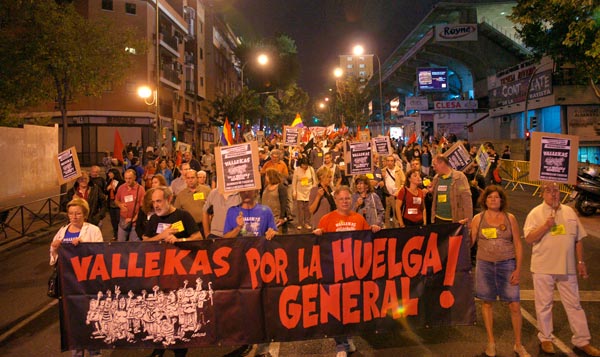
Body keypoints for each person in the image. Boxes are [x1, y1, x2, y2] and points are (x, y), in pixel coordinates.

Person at [523, 182, 600, 356]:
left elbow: (578, 239)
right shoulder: (535, 213)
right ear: (542, 193)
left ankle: (582, 340)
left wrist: (580, 262)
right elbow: (528, 238)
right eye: (548, 190)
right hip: (543, 267)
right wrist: (545, 226)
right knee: (544, 305)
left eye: (556, 190)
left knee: (574, 305)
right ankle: (545, 338)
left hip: (567, 268)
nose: (553, 194)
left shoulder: (569, 212)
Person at [313, 186, 381, 357]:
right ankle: (340, 345)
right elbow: (318, 245)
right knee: (336, 308)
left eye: (347, 199)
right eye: (341, 199)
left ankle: (348, 338)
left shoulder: (358, 219)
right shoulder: (326, 220)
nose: (344, 202)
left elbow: (368, 240)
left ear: (351, 200)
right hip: (335, 273)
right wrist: (317, 234)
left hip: (354, 272)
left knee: (352, 306)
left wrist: (373, 229)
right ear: (335, 200)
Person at [470, 186, 529, 357]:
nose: (494, 200)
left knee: (514, 305)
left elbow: (518, 243)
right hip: (485, 265)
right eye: (490, 197)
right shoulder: (477, 219)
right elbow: (470, 242)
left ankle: (518, 344)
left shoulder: (510, 218)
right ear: (485, 200)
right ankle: (491, 343)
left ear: (502, 200)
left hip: (507, 264)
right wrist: (460, 231)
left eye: (497, 197)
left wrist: (518, 269)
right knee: (487, 303)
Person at [143, 186, 201, 357]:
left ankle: (180, 349)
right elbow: (145, 241)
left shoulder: (183, 216)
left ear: (169, 200)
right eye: (153, 202)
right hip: (159, 274)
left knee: (178, 310)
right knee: (159, 310)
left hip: (180, 273)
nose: (156, 205)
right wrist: (163, 236)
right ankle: (159, 347)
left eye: (159, 201)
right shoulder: (153, 219)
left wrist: (179, 239)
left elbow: (198, 238)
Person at [222, 189, 277, 357]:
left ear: (256, 190)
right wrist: (238, 228)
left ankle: (263, 348)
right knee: (243, 305)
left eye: (249, 190)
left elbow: (274, 233)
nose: (246, 193)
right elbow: (225, 239)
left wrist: (273, 233)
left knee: (262, 305)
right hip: (240, 265)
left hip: (260, 265)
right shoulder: (232, 212)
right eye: (243, 190)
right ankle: (246, 341)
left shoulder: (265, 211)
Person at [49, 198, 103, 357]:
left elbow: (101, 254)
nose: (74, 216)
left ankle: (94, 351)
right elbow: (53, 258)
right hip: (68, 284)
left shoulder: (93, 230)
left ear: (84, 214)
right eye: (71, 213)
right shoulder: (62, 230)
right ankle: (77, 352)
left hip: (87, 283)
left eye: (78, 213)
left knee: (90, 318)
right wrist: (54, 248)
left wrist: (84, 245)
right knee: (73, 320)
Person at [430, 155, 472, 225]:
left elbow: (467, 200)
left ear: (442, 163)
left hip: (454, 220)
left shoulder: (459, 177)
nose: (434, 168)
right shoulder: (436, 178)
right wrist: (430, 191)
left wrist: (469, 220)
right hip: (438, 218)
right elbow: (434, 197)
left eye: (435, 165)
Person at [173, 169, 211, 238]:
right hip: (189, 228)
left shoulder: (206, 190)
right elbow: (176, 214)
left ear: (197, 178)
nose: (190, 180)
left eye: (192, 177)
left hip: (205, 226)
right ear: (186, 180)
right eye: (188, 178)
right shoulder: (181, 195)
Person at [114, 169, 145, 241]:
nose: (127, 181)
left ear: (135, 177)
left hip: (135, 223)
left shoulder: (140, 189)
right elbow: (116, 200)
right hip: (123, 221)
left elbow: (142, 208)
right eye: (126, 178)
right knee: (121, 244)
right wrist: (120, 205)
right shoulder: (121, 188)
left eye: (130, 178)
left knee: (133, 246)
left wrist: (133, 219)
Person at [291, 157, 316, 230]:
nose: (305, 166)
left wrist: (314, 190)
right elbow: (294, 182)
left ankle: (307, 222)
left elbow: (314, 181)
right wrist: (294, 191)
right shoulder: (297, 170)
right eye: (303, 165)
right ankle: (300, 223)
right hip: (300, 190)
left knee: (307, 208)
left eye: (306, 165)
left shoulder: (311, 169)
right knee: (300, 208)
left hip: (309, 190)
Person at [261, 169, 290, 233]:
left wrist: (282, 217)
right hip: (266, 217)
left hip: (277, 219)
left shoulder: (281, 187)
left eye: (266, 175)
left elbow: (284, 203)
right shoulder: (266, 187)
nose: (265, 178)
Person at [382, 154, 406, 228]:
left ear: (394, 162)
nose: (389, 162)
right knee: (387, 214)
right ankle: (388, 229)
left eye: (391, 161)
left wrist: (398, 192)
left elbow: (404, 182)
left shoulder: (398, 170)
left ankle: (397, 228)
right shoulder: (383, 170)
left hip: (396, 196)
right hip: (387, 195)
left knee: (396, 213)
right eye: (388, 161)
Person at [105, 168, 125, 241]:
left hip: (118, 204)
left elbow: (121, 192)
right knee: (113, 220)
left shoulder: (121, 182)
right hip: (111, 203)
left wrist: (114, 189)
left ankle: (121, 235)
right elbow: (105, 191)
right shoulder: (110, 181)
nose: (109, 174)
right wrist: (107, 189)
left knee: (118, 220)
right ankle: (115, 234)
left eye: (110, 173)